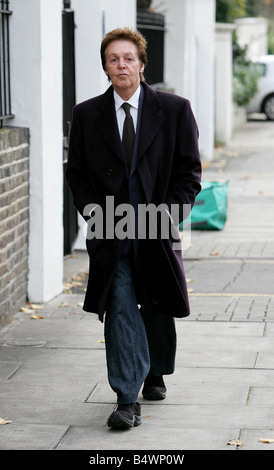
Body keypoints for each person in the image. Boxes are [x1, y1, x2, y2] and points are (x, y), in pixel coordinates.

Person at [66, 27, 201, 429]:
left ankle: (154, 369)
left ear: (142, 64)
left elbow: (188, 173)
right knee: (121, 302)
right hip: (110, 227)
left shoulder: (174, 109)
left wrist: (168, 215)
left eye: (128, 58)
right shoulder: (87, 114)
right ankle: (127, 397)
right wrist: (95, 214)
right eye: (113, 59)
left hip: (156, 224)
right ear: (105, 68)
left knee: (155, 299)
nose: (121, 65)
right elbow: (77, 175)